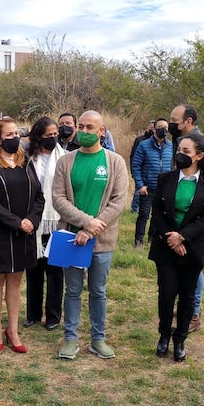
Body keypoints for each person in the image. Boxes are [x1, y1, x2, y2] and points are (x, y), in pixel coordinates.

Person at [52, 110, 129, 360]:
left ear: (101, 132)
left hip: (102, 239)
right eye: (81, 127)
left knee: (98, 291)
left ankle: (98, 339)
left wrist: (94, 228)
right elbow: (58, 198)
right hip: (71, 238)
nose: (84, 132)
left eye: (89, 127)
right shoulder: (66, 161)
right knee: (72, 291)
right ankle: (70, 338)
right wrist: (85, 224)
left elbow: (119, 201)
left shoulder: (115, 161)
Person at [149, 132, 204, 362]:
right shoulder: (165, 179)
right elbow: (158, 213)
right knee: (167, 293)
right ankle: (164, 335)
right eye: (179, 150)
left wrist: (182, 237)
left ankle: (180, 339)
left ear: (199, 156)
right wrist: (171, 239)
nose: (180, 155)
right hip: (166, 246)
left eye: (186, 152)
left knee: (188, 296)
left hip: (193, 247)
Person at [0, 116, 44, 353]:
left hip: (25, 232)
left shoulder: (25, 161)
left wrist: (32, 221)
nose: (15, 138)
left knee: (15, 282)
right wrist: (17, 222)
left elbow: (39, 196)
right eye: (9, 135)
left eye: (17, 134)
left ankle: (13, 330)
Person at [168, 104, 204, 333]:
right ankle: (185, 303)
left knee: (194, 264)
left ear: (188, 121)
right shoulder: (180, 143)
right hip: (177, 218)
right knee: (178, 263)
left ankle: (194, 312)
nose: (171, 124)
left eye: (175, 120)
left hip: (197, 217)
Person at [24, 116, 66, 331]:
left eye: (55, 134)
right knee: (33, 269)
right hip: (33, 219)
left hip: (57, 220)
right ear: (38, 136)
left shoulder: (65, 157)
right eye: (48, 135)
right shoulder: (27, 157)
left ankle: (53, 316)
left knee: (55, 269)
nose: (53, 138)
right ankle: (32, 313)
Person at [131, 118, 173, 249]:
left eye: (166, 127)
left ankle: (152, 239)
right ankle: (138, 241)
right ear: (154, 129)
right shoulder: (143, 145)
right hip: (147, 188)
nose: (163, 130)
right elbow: (135, 166)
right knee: (143, 215)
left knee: (158, 216)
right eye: (160, 127)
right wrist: (140, 185)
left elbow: (174, 167)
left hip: (164, 189)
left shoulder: (171, 146)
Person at [129, 121, 156, 213]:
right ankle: (134, 210)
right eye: (150, 126)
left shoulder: (160, 142)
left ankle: (148, 210)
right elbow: (133, 156)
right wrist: (133, 171)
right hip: (140, 171)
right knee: (138, 193)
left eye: (154, 127)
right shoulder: (140, 140)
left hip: (152, 172)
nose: (152, 128)